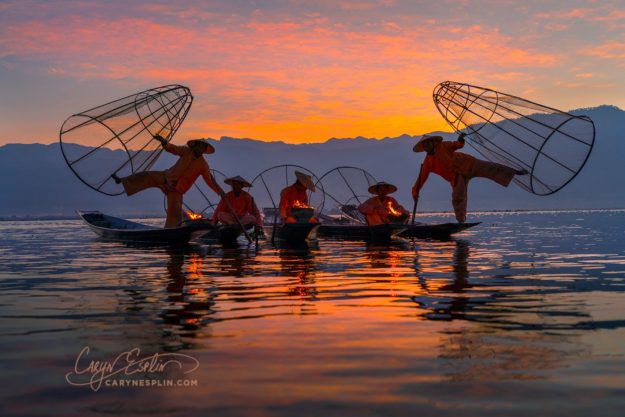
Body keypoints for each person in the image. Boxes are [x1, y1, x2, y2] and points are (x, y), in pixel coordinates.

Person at [412, 133, 528, 223]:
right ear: (424, 148)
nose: (427, 145)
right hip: (456, 176)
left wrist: (461, 138)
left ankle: (515, 172)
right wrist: (415, 191)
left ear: (433, 142)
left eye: (428, 143)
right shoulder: (428, 163)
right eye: (425, 144)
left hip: (468, 163)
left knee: (490, 167)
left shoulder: (443, 146)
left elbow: (457, 145)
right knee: (458, 197)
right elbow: (421, 178)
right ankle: (461, 221)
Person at [112, 135, 223, 228]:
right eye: (199, 146)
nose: (200, 149)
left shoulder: (203, 165)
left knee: (174, 212)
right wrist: (165, 142)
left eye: (203, 148)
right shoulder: (186, 151)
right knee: (146, 176)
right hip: (166, 177)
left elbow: (209, 181)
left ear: (204, 150)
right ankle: (122, 180)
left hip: (177, 189)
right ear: (195, 146)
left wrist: (219, 192)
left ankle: (172, 230)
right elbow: (173, 149)